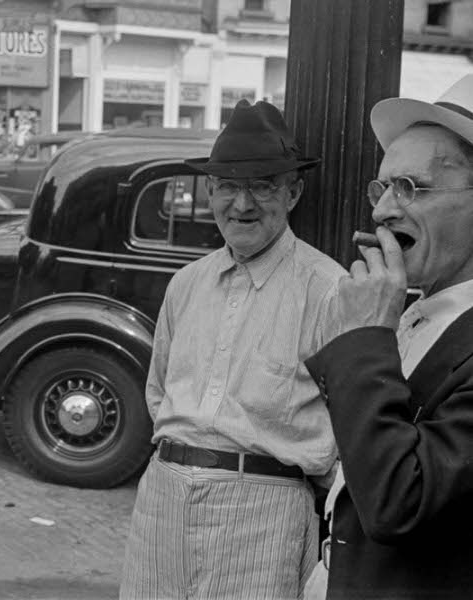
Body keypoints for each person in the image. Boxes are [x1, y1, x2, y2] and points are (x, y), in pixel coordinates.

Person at [119, 100, 346, 600]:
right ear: (211, 192)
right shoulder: (187, 284)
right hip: (163, 497)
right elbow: (158, 394)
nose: (242, 204)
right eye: (228, 186)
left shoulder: (329, 290)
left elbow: (351, 428)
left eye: (262, 186)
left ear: (293, 193)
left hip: (264, 511)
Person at [303, 74, 473, 599]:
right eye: (382, 187)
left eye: (411, 188)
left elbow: (402, 499)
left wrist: (364, 340)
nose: (381, 211)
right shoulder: (418, 312)